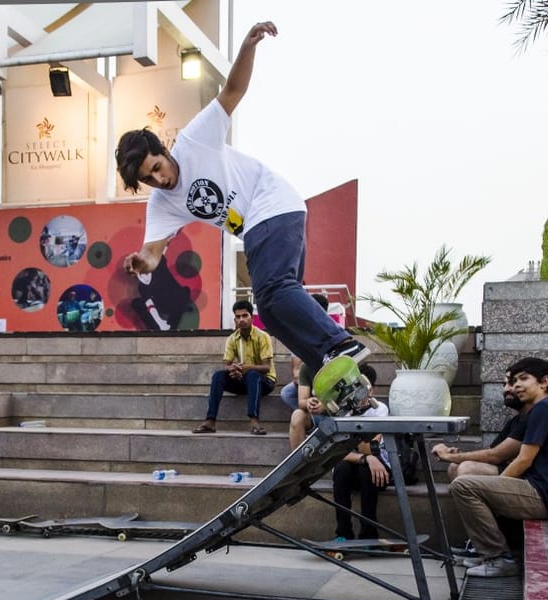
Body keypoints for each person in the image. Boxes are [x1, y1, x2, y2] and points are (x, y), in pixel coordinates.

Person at [116, 21, 367, 374]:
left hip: (271, 205)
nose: (160, 179)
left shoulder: (194, 141)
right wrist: (141, 262)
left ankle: (340, 343)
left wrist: (248, 46)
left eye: (157, 167)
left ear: (163, 149)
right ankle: (328, 365)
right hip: (261, 226)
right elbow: (153, 253)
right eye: (148, 179)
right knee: (271, 312)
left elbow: (232, 91)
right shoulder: (161, 204)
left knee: (275, 290)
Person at [448, 357, 548, 578]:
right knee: (465, 482)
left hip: (544, 495)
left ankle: (500, 558)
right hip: (540, 490)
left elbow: (524, 460)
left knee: (464, 486)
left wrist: (495, 488)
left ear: (544, 382)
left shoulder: (545, 408)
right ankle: (484, 550)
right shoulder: (542, 409)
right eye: (514, 380)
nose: (516, 385)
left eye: (523, 379)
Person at [192, 299, 276, 435]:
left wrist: (247, 368)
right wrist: (233, 370)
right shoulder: (232, 338)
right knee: (218, 376)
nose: (241, 320)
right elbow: (227, 363)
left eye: (245, 316)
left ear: (251, 317)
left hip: (265, 382)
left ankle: (254, 422)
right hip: (244, 379)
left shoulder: (263, 337)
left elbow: (266, 367)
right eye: (238, 317)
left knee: (253, 375)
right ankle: (210, 421)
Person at [329, 364, 390, 541]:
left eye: (365, 386)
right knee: (341, 468)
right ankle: (343, 533)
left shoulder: (380, 409)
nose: (362, 391)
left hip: (379, 472)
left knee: (367, 470)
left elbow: (370, 447)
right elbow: (338, 452)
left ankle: (369, 534)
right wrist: (366, 459)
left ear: (372, 389)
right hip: (355, 467)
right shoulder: (343, 411)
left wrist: (361, 412)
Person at [433, 371, 529, 479]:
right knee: (454, 467)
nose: (506, 389)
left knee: (466, 468)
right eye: (504, 384)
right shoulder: (515, 421)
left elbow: (495, 456)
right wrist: (458, 455)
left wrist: (450, 456)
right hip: (504, 467)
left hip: (526, 477)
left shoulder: (536, 415)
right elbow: (491, 451)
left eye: (512, 383)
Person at [280, 293, 329, 411]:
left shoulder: (333, 331)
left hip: (330, 380)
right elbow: (296, 373)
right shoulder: (299, 334)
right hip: (308, 378)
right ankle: (312, 418)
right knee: (287, 393)